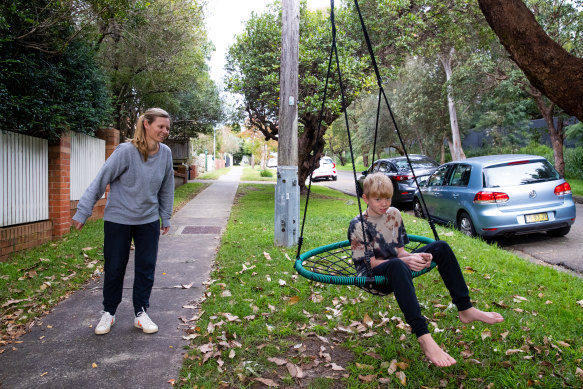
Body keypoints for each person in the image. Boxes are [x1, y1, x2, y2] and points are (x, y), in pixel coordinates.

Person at [348, 173, 503, 367]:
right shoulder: (358, 225)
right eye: (377, 199)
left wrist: (413, 257)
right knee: (396, 265)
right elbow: (369, 264)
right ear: (365, 198)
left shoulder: (394, 214)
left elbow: (400, 252)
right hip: (373, 275)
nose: (384, 203)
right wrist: (403, 262)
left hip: (396, 266)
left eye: (387, 198)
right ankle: (424, 337)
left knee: (441, 247)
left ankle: (465, 308)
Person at [72, 108, 174, 335]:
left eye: (167, 127)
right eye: (161, 126)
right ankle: (108, 312)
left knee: (146, 267)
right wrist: (83, 211)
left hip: (147, 219)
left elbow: (167, 187)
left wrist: (165, 215)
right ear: (146, 124)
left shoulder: (165, 153)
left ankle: (141, 313)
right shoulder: (125, 151)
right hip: (119, 219)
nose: (165, 131)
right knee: (115, 266)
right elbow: (101, 180)